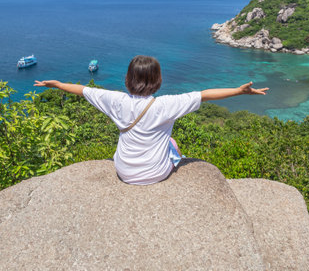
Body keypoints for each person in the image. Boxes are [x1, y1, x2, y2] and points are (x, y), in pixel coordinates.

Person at [34, 55, 268, 185]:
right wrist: (239, 91)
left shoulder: (115, 100)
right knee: (172, 143)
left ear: (127, 79)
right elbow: (205, 94)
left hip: (123, 171)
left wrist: (55, 84)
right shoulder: (167, 105)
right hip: (156, 173)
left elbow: (81, 89)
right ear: (158, 81)